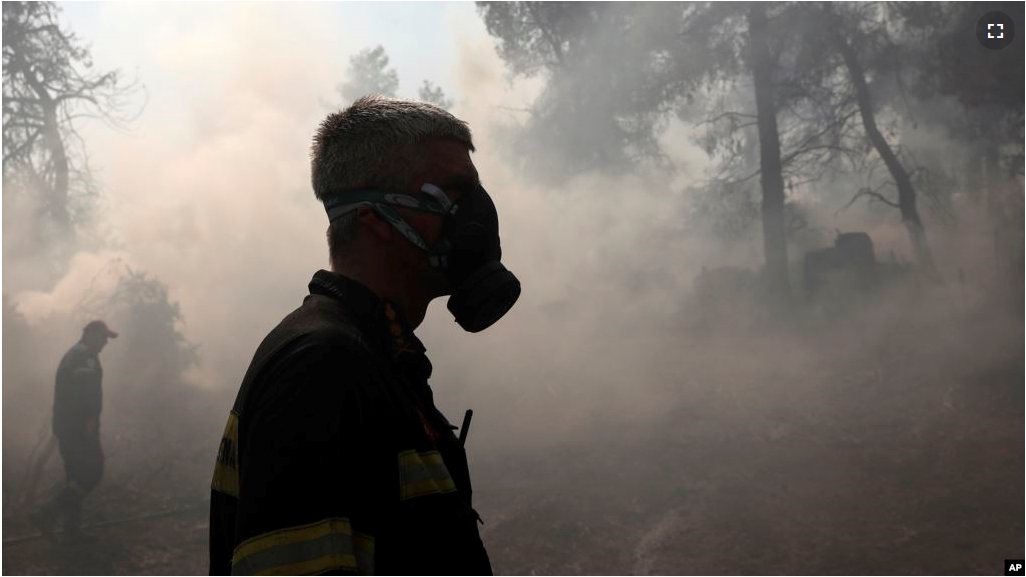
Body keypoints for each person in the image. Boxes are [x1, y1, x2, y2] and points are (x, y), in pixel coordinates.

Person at [209, 96, 521, 575]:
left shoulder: (376, 353)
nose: (479, 217)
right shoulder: (322, 369)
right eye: (456, 197)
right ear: (377, 220)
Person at [34, 320, 117, 544]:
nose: (105, 343)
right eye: (102, 337)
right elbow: (85, 392)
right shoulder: (84, 357)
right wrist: (89, 418)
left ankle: (71, 533)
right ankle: (48, 513)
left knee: (75, 477)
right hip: (79, 428)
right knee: (92, 471)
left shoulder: (75, 354)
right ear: (89, 334)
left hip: (67, 427)